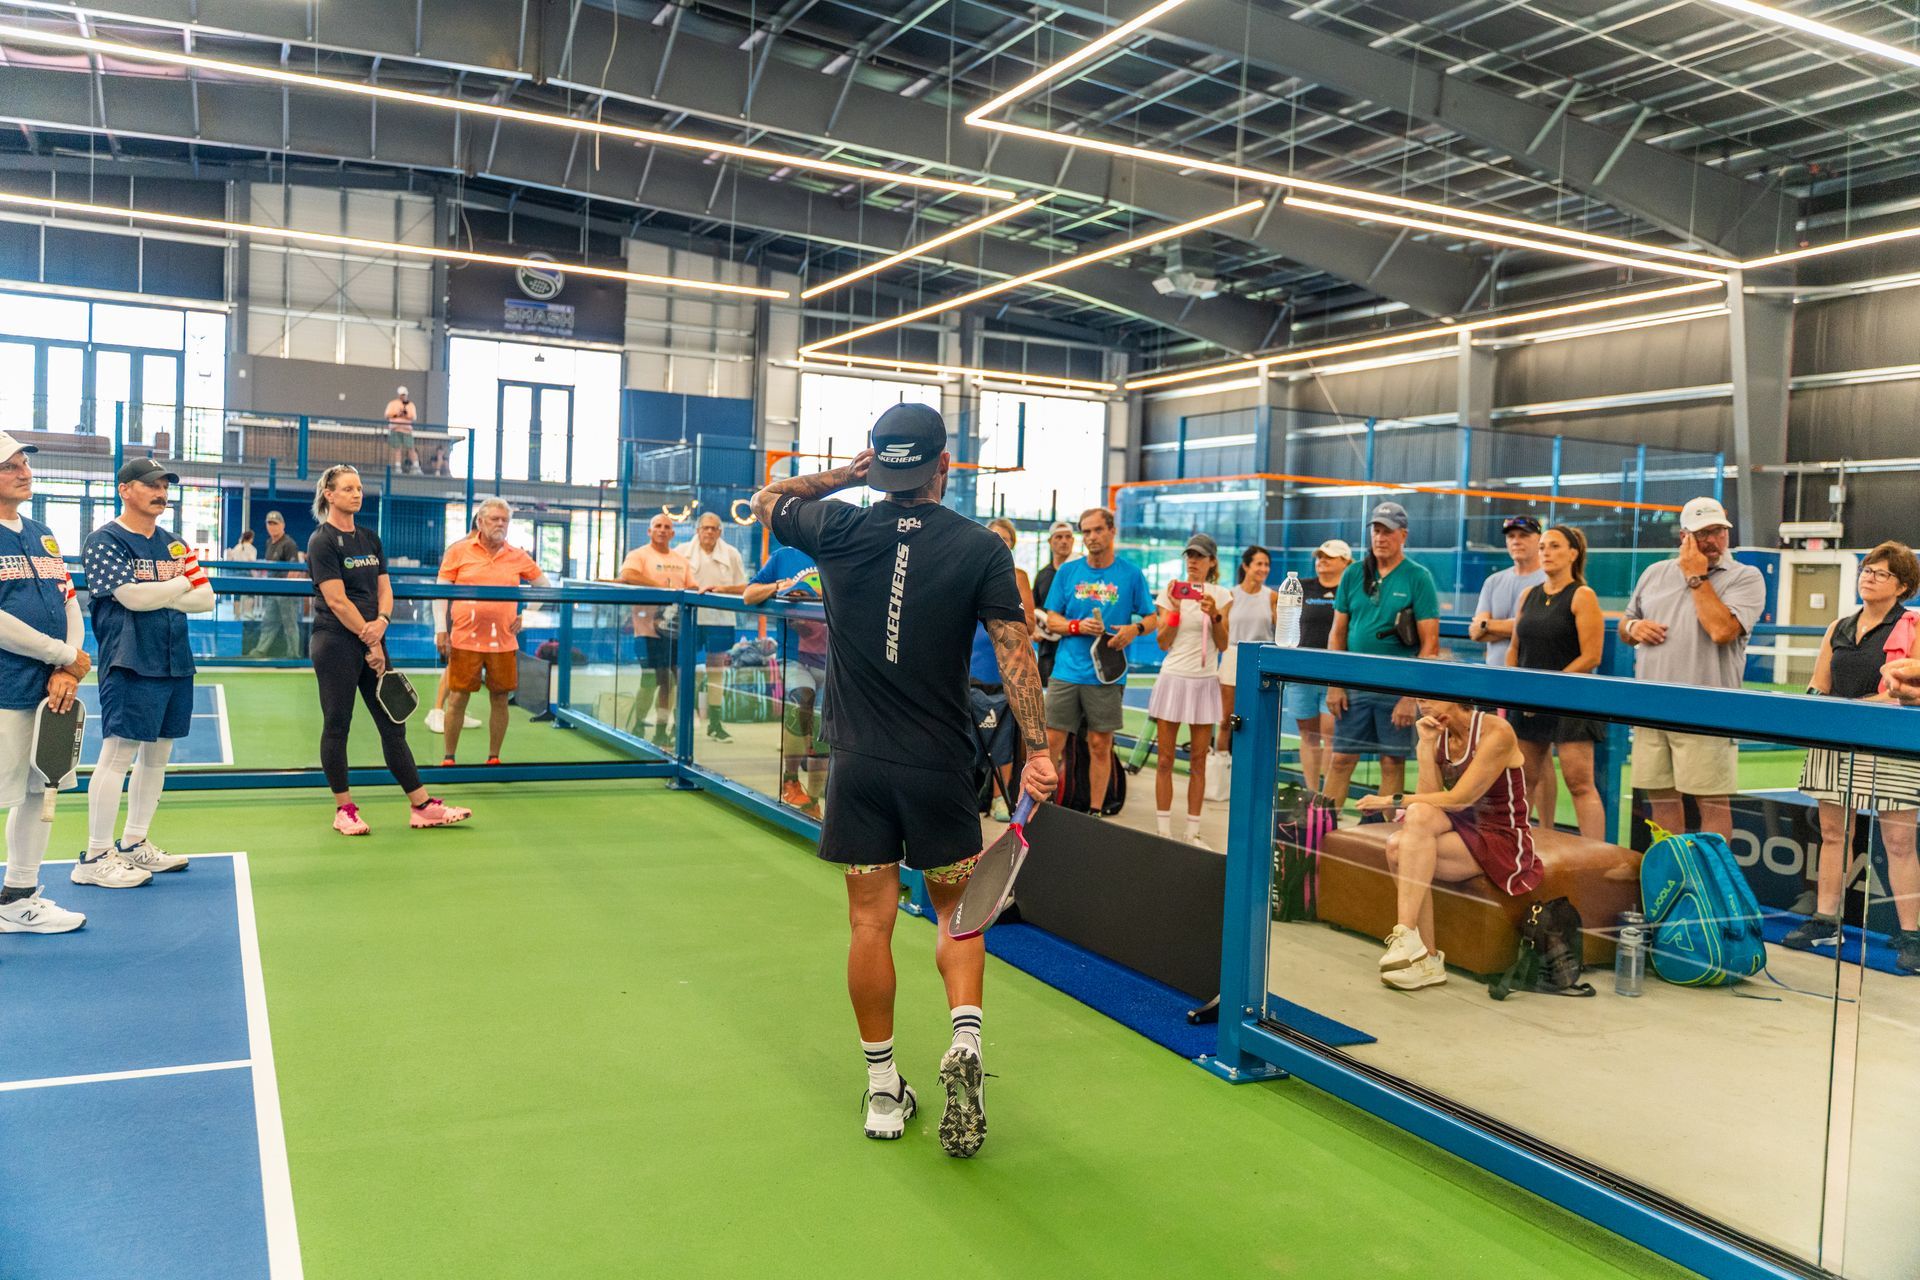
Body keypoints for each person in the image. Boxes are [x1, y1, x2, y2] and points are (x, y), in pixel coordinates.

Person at [750, 401, 1055, 1158]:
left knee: (868, 922)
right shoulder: (982, 547)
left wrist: (840, 477)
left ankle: (884, 1089)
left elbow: (767, 502)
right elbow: (1016, 654)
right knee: (958, 912)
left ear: (877, 463)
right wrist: (1040, 752)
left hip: (857, 768)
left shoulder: (836, 526)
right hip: (939, 767)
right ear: (944, 466)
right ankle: (966, 1039)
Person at [306, 465, 469, 836]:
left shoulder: (370, 539)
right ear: (329, 494)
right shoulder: (322, 541)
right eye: (348, 488)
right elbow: (336, 599)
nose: (356, 494)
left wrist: (381, 623)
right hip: (334, 642)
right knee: (337, 724)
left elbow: (385, 590)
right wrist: (371, 638)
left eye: (359, 488)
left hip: (372, 639)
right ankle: (344, 809)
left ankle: (422, 806)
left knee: (393, 726)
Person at [72, 458, 212, 887]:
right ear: (125, 489)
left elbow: (206, 599)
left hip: (174, 660)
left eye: (165, 485)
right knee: (117, 756)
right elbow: (130, 598)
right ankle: (95, 855)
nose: (160, 491)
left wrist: (162, 594)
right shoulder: (104, 541)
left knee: (158, 758)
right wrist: (179, 586)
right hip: (130, 659)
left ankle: (134, 844)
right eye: (151, 484)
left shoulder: (173, 543)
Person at [1789, 541, 1920, 970]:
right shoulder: (1838, 627)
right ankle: (1826, 920)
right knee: (1833, 835)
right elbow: (1818, 683)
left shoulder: (1914, 626)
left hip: (1889, 743)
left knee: (1898, 841)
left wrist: (1861, 708)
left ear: (1902, 586)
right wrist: (1810, 709)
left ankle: (1912, 936)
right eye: (1867, 569)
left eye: (1881, 573)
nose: (1869, 577)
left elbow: (1905, 693)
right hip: (1835, 739)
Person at [1358, 698, 1541, 992]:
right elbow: (1428, 799)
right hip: (1461, 825)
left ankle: (1413, 943)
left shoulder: (1497, 732)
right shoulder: (1439, 734)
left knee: (1401, 844)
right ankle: (1419, 948)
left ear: (1457, 698)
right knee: (1400, 840)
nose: (1422, 704)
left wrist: (1391, 800)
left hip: (1500, 834)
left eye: (1429, 697)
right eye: (1419, 699)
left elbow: (1458, 800)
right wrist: (1425, 747)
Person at [1620, 497, 1765, 841]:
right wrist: (1632, 629)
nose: (1712, 541)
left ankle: (1711, 890)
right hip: (1653, 710)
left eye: (1719, 531)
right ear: (1684, 537)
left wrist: (1696, 577)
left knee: (1712, 804)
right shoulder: (1654, 573)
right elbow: (1627, 622)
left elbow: (1721, 631)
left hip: (1706, 712)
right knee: (1661, 802)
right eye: (1703, 533)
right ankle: (1674, 882)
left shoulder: (1745, 577)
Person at [0, 432, 92, 932]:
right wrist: (65, 656)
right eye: (9, 466)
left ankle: (18, 896)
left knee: (39, 790)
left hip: (49, 688)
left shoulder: (42, 532)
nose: (23, 471)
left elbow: (67, 601)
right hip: (4, 688)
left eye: (24, 464)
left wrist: (66, 667)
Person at [1324, 502, 1441, 812]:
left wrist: (1409, 697)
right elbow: (1337, 633)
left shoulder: (1418, 577)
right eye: (1375, 530)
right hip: (1353, 686)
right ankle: (1320, 835)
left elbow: (1430, 645)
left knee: (1392, 763)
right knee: (1340, 760)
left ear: (1403, 535)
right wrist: (1335, 684)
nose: (1380, 537)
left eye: (1387, 531)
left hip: (1396, 690)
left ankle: (1380, 834)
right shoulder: (1352, 574)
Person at [1041, 507, 1158, 813]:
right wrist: (1077, 626)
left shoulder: (1130, 574)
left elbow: (1152, 617)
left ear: (1111, 531)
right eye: (1086, 531)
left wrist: (1135, 629)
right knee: (1052, 743)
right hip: (1066, 671)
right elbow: (1051, 620)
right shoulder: (1068, 571)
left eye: (1097, 530)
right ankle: (1042, 809)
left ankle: (1094, 813)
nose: (1091, 537)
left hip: (1106, 675)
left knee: (1099, 745)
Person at [1508, 525, 1607, 840]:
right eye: (1543, 547)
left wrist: (1548, 691)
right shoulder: (1528, 595)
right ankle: (1516, 848)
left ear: (1573, 554)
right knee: (1523, 779)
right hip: (1527, 702)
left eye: (1554, 546)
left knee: (1579, 783)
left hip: (1570, 701)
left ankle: (1596, 856)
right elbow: (1514, 649)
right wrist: (1515, 691)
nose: (1546, 553)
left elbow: (1591, 656)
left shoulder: (1582, 595)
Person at [434, 498, 548, 765]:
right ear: (480, 522)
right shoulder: (458, 551)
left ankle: (493, 758)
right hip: (464, 639)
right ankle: (449, 758)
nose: (500, 524)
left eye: (504, 520)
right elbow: (439, 592)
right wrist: (441, 630)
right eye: (494, 519)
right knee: (458, 697)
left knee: (500, 697)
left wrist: (527, 615)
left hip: (504, 642)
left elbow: (543, 584)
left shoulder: (518, 556)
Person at [1148, 533, 1230, 847]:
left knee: (1198, 760)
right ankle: (1163, 830)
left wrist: (1215, 615)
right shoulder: (1170, 592)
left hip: (1205, 681)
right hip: (1173, 678)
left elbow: (1223, 644)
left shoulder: (1222, 595)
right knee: (1166, 759)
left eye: (1200, 556)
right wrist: (1176, 607)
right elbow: (1162, 641)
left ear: (1212, 562)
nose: (1193, 562)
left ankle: (1192, 831)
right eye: (1190, 556)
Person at [743, 540, 828, 813]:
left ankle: (814, 801)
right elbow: (749, 594)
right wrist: (777, 588)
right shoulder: (785, 557)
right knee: (801, 700)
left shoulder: (843, 552)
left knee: (823, 724)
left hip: (834, 656)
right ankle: (790, 780)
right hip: (795, 655)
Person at [969, 518, 1038, 821]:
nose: (1000, 542)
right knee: (967, 735)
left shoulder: (1018, 576)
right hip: (970, 666)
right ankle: (966, 794)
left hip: (1003, 670)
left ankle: (1000, 798)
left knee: (1002, 735)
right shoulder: (969, 570)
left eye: (1005, 539)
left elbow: (1030, 625)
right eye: (994, 537)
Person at [617, 513, 691, 747]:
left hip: (675, 632)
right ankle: (638, 723)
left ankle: (662, 729)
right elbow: (628, 575)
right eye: (657, 526)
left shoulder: (681, 560)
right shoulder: (638, 555)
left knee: (672, 682)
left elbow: (692, 586)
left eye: (666, 526)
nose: (661, 529)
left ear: (672, 533)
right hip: (646, 630)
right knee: (652, 680)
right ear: (649, 531)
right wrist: (661, 588)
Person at [677, 511, 749, 742]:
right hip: (688, 619)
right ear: (697, 530)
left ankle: (715, 723)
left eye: (714, 528)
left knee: (716, 671)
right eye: (705, 528)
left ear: (720, 532)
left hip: (720, 620)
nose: (709, 532)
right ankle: (681, 723)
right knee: (682, 669)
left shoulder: (732, 554)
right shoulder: (681, 552)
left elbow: (743, 587)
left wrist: (721, 590)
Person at [1286, 540, 1351, 795]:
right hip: (1303, 672)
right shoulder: (1301, 587)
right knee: (1308, 736)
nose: (1322, 561)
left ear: (1346, 562)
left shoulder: (1349, 590)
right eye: (1319, 557)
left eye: (1329, 557)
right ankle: (1311, 795)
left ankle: (1328, 797)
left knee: (1330, 734)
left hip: (1335, 674)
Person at [1468, 516, 1545, 666]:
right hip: (1494, 676)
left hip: (1533, 675)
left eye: (1524, 535)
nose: (1516, 541)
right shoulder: (1493, 582)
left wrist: (1486, 625)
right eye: (1511, 536)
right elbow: (1475, 633)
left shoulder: (1549, 581)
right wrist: (1516, 627)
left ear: (1540, 540)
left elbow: (1534, 629)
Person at [247, 510, 304, 659]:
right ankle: (260, 650)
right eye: (269, 523)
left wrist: (287, 590)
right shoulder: (269, 542)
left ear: (282, 525)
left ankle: (294, 655)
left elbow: (294, 570)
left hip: (286, 591)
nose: (272, 527)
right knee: (269, 622)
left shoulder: (289, 543)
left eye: (275, 524)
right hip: (273, 590)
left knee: (290, 624)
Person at [1031, 520, 1076, 684]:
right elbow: (1033, 609)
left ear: (1073, 540)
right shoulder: (1042, 575)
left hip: (1075, 651)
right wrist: (1034, 631)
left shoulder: (1081, 573)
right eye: (1058, 537)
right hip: (1047, 652)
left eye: (1067, 537)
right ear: (1050, 542)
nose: (1064, 541)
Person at [385, 385, 419, 474]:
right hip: (395, 429)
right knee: (397, 448)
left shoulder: (411, 405)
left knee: (411, 448)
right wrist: (397, 414)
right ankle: (397, 467)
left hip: (407, 429)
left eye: (404, 395)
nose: (403, 396)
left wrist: (406, 414)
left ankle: (416, 466)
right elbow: (388, 414)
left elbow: (413, 416)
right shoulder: (392, 403)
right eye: (401, 395)